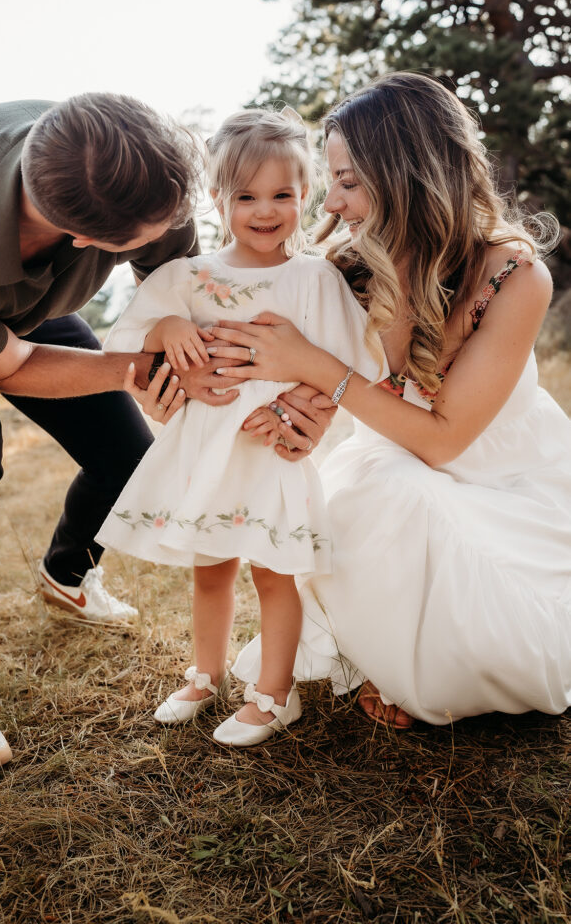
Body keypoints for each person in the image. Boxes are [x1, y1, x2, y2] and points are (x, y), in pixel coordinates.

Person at [0, 92, 243, 777]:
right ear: (85, 239)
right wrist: (135, 369)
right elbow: (15, 368)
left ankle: (68, 573)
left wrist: (179, 354)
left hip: (25, 303)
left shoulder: (138, 177)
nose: (172, 232)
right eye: (144, 238)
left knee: (129, 458)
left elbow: (176, 284)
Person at [206, 72, 571, 728]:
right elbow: (305, 385)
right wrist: (291, 416)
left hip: (505, 477)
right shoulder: (350, 270)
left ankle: (416, 664)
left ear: (405, 172)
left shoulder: (515, 274)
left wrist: (316, 363)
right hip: (392, 462)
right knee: (383, 489)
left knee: (420, 508)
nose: (334, 203)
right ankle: (384, 656)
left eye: (347, 181)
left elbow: (444, 438)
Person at [96, 109, 375, 746]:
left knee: (274, 570)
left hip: (271, 447)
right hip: (206, 449)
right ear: (219, 199)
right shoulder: (188, 277)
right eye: (246, 195)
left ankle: (274, 695)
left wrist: (298, 403)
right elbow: (130, 341)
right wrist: (168, 330)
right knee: (212, 564)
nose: (265, 209)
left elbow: (349, 359)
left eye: (283, 194)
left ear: (306, 196)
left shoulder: (312, 278)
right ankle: (205, 672)